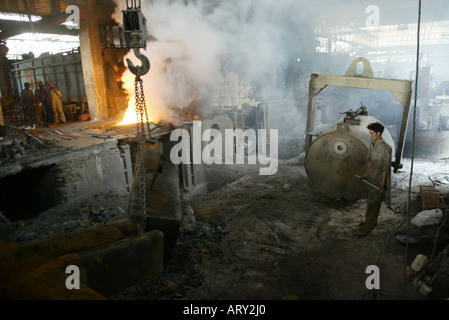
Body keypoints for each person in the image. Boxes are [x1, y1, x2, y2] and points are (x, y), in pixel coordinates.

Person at [357, 122, 392, 238]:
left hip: (378, 178)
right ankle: (370, 221)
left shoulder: (386, 149)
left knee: (374, 203)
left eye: (372, 133)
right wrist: (366, 174)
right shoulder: (372, 145)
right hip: (371, 176)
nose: (370, 135)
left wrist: (382, 183)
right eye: (369, 133)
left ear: (379, 133)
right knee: (370, 201)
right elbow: (370, 162)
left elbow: (385, 168)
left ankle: (368, 227)